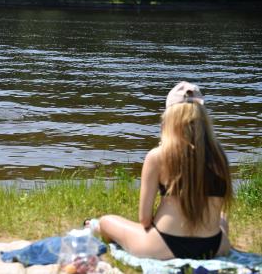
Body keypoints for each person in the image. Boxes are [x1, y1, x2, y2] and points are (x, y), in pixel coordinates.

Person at [88, 81, 233, 260]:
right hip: (214, 247)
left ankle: (93, 226)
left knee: (106, 221)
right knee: (222, 218)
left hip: (164, 245)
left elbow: (145, 219)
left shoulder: (157, 156)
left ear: (169, 118)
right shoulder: (220, 156)